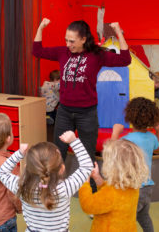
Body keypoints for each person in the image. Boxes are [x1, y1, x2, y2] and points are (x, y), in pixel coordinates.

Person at [32, 18, 131, 191]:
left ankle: (92, 193)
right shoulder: (63, 52)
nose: (68, 44)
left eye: (72, 41)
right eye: (66, 40)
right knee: (57, 152)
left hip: (87, 114)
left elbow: (125, 59)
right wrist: (41, 27)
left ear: (84, 39)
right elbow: (37, 50)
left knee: (87, 156)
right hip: (64, 112)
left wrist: (118, 31)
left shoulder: (97, 55)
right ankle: (53, 191)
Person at [0, 131, 93, 232]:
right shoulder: (65, 189)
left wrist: (19, 154)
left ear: (27, 168)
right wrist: (74, 141)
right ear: (62, 169)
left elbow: (1, 173)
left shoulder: (22, 186)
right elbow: (87, 166)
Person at [111, 97, 159, 232]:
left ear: (130, 117)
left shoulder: (126, 140)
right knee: (144, 216)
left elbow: (111, 154)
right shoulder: (152, 138)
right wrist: (157, 130)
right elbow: (158, 149)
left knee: (126, 220)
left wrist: (115, 132)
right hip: (147, 188)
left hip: (134, 189)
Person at [79, 139, 149, 232]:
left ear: (113, 167)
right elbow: (109, 194)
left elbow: (88, 205)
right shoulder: (132, 187)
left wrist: (84, 184)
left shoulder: (111, 193)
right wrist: (97, 178)